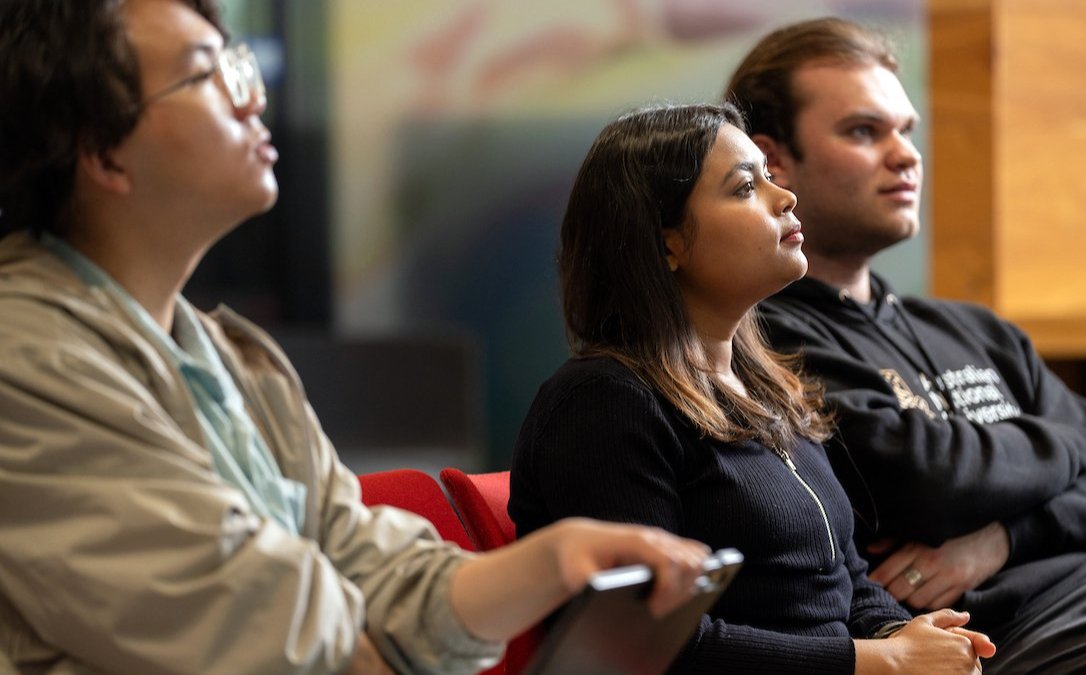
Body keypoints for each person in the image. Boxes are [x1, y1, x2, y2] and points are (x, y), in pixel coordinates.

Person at [0, 1, 715, 673]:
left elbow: (368, 557)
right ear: (102, 154)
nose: (252, 98)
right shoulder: (24, 358)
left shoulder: (235, 357)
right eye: (206, 75)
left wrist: (550, 563)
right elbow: (264, 631)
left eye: (239, 67)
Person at [726, 17, 1086, 673]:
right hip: (1018, 634)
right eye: (864, 131)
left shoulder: (977, 329)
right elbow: (933, 480)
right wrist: (1076, 438)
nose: (906, 155)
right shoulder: (762, 341)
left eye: (907, 131)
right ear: (772, 160)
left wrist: (1003, 537)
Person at [508, 102, 995, 674]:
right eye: (745, 187)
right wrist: (880, 661)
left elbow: (844, 579)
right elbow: (648, 648)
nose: (784, 196)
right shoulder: (602, 403)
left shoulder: (766, 386)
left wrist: (905, 633)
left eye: (770, 175)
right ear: (668, 245)